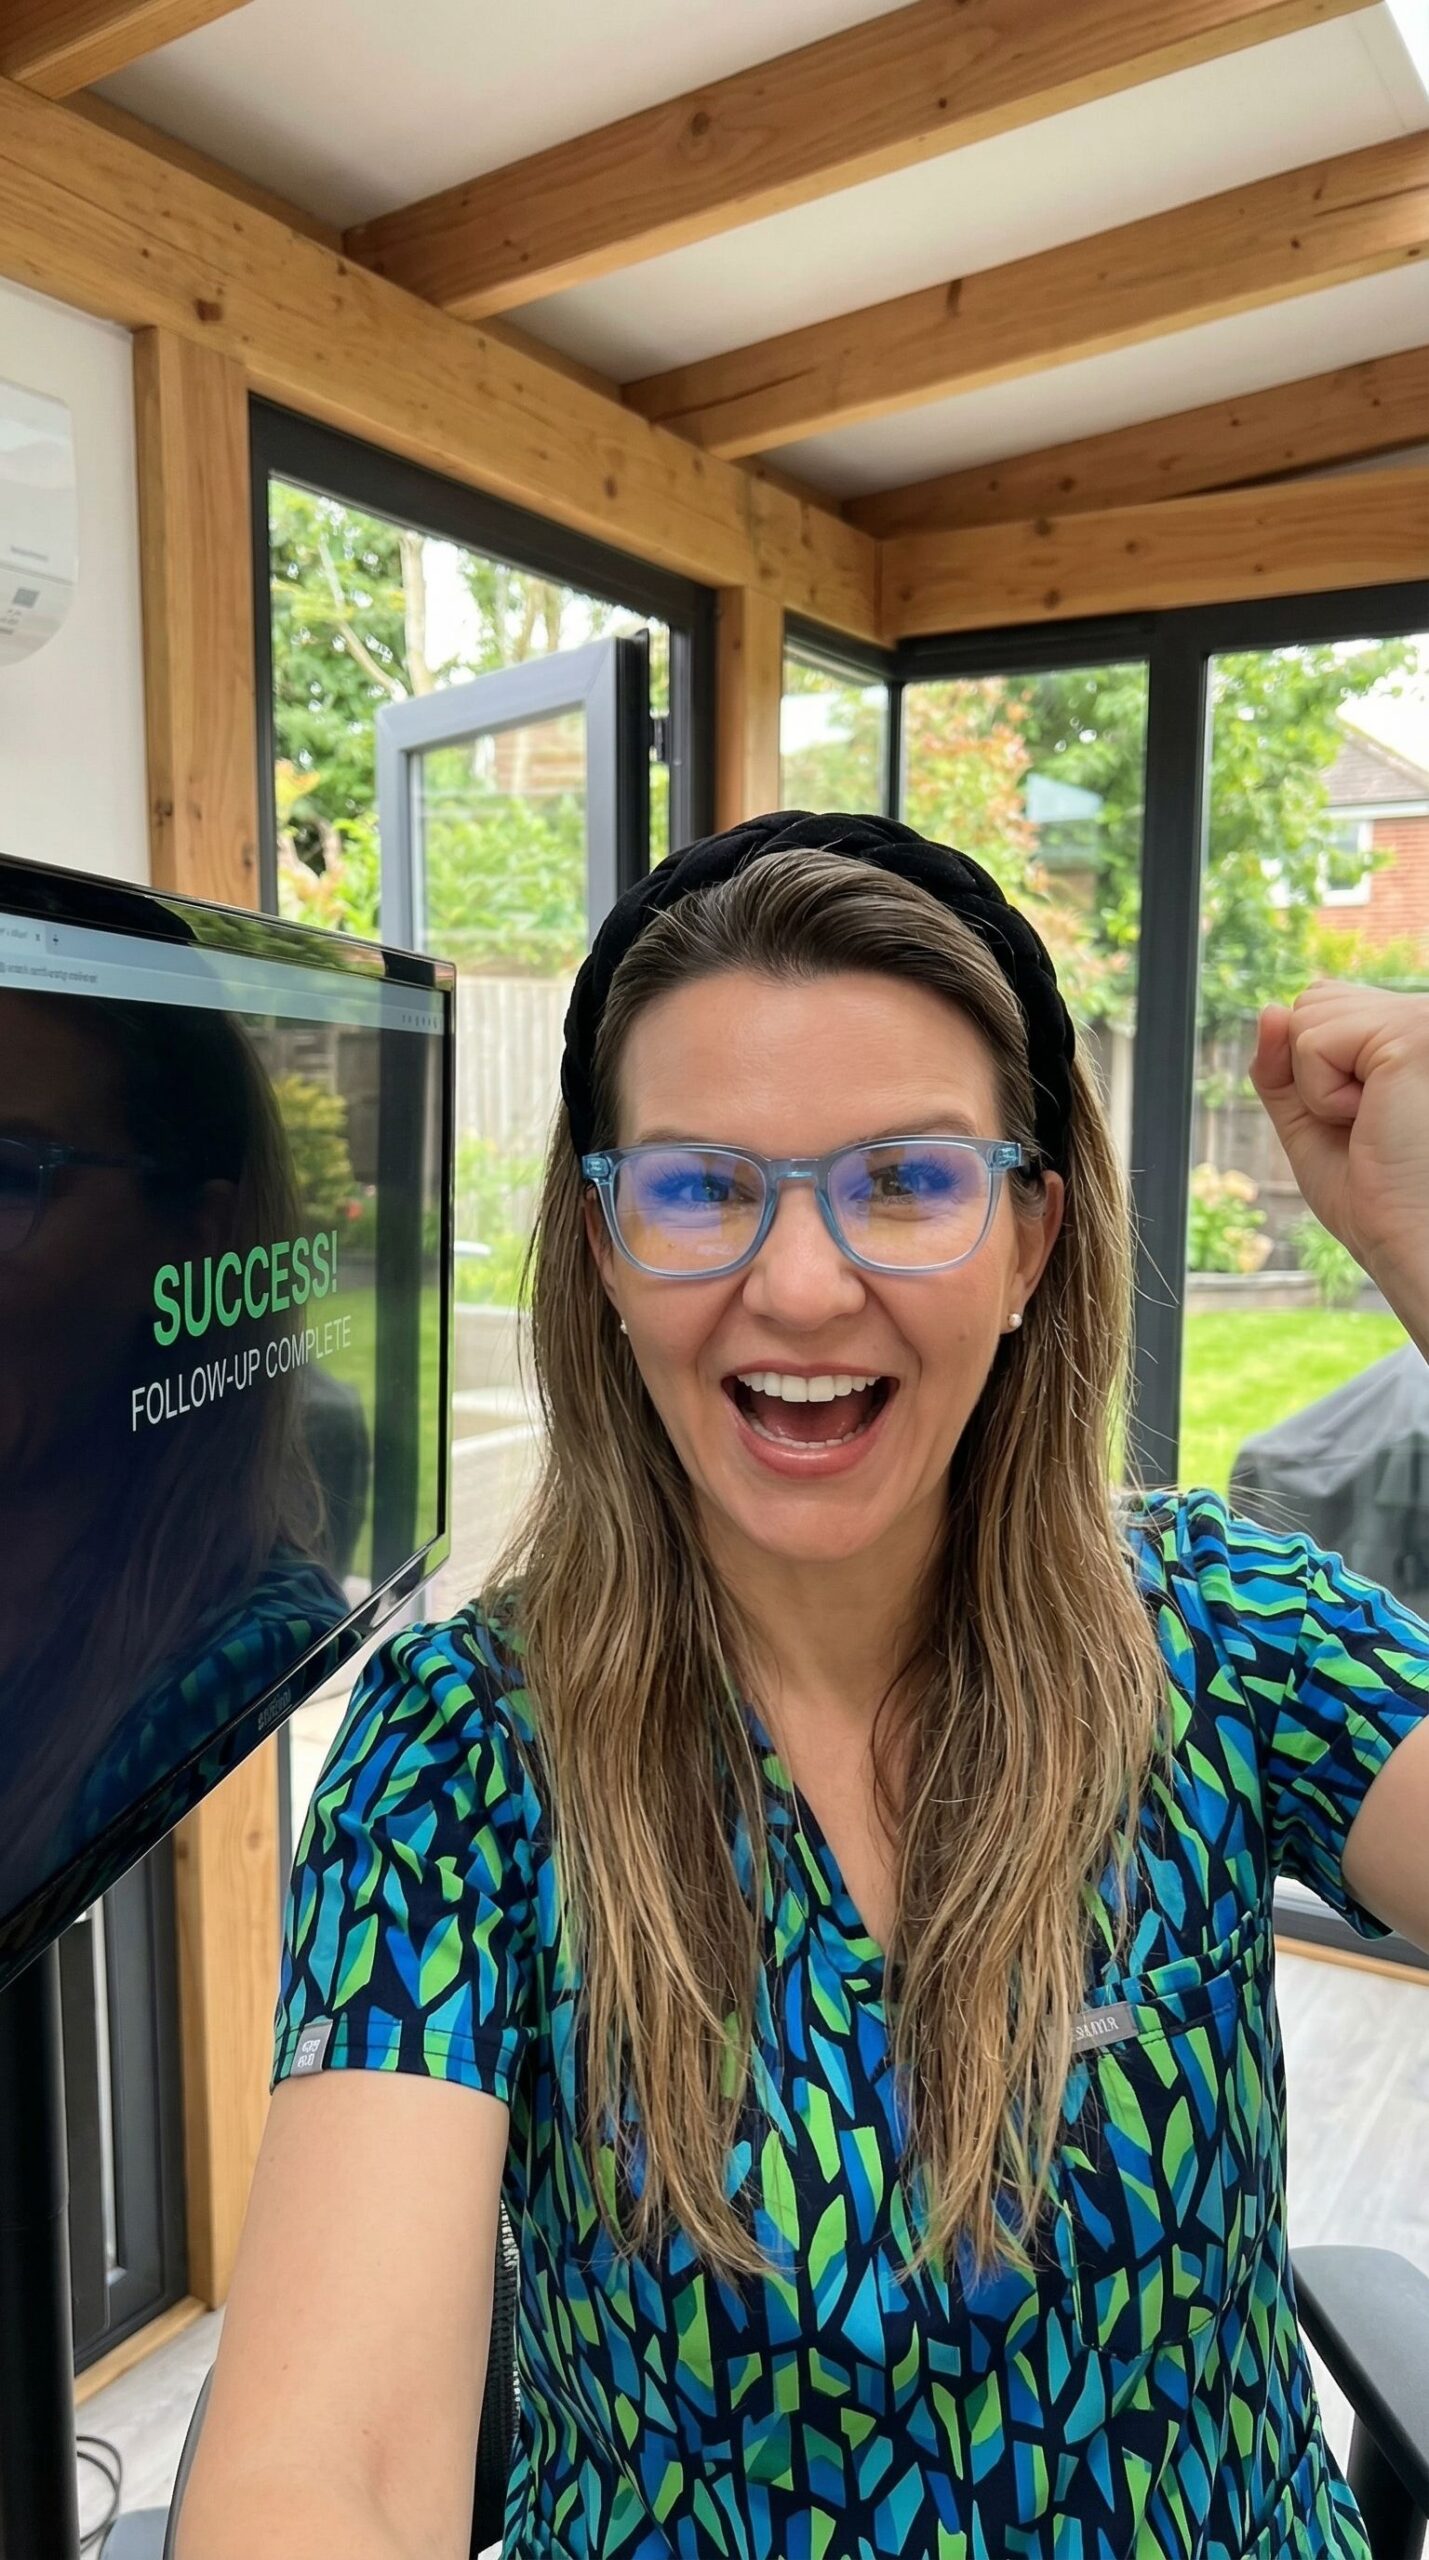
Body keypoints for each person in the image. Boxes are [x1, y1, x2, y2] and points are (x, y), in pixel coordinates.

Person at [177, 814, 1429, 2560]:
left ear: (1029, 1241)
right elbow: (328, 2472)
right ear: (606, 1248)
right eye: (698, 1186)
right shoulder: (461, 1757)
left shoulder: (1222, 1632)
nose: (798, 1284)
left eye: (906, 1181)